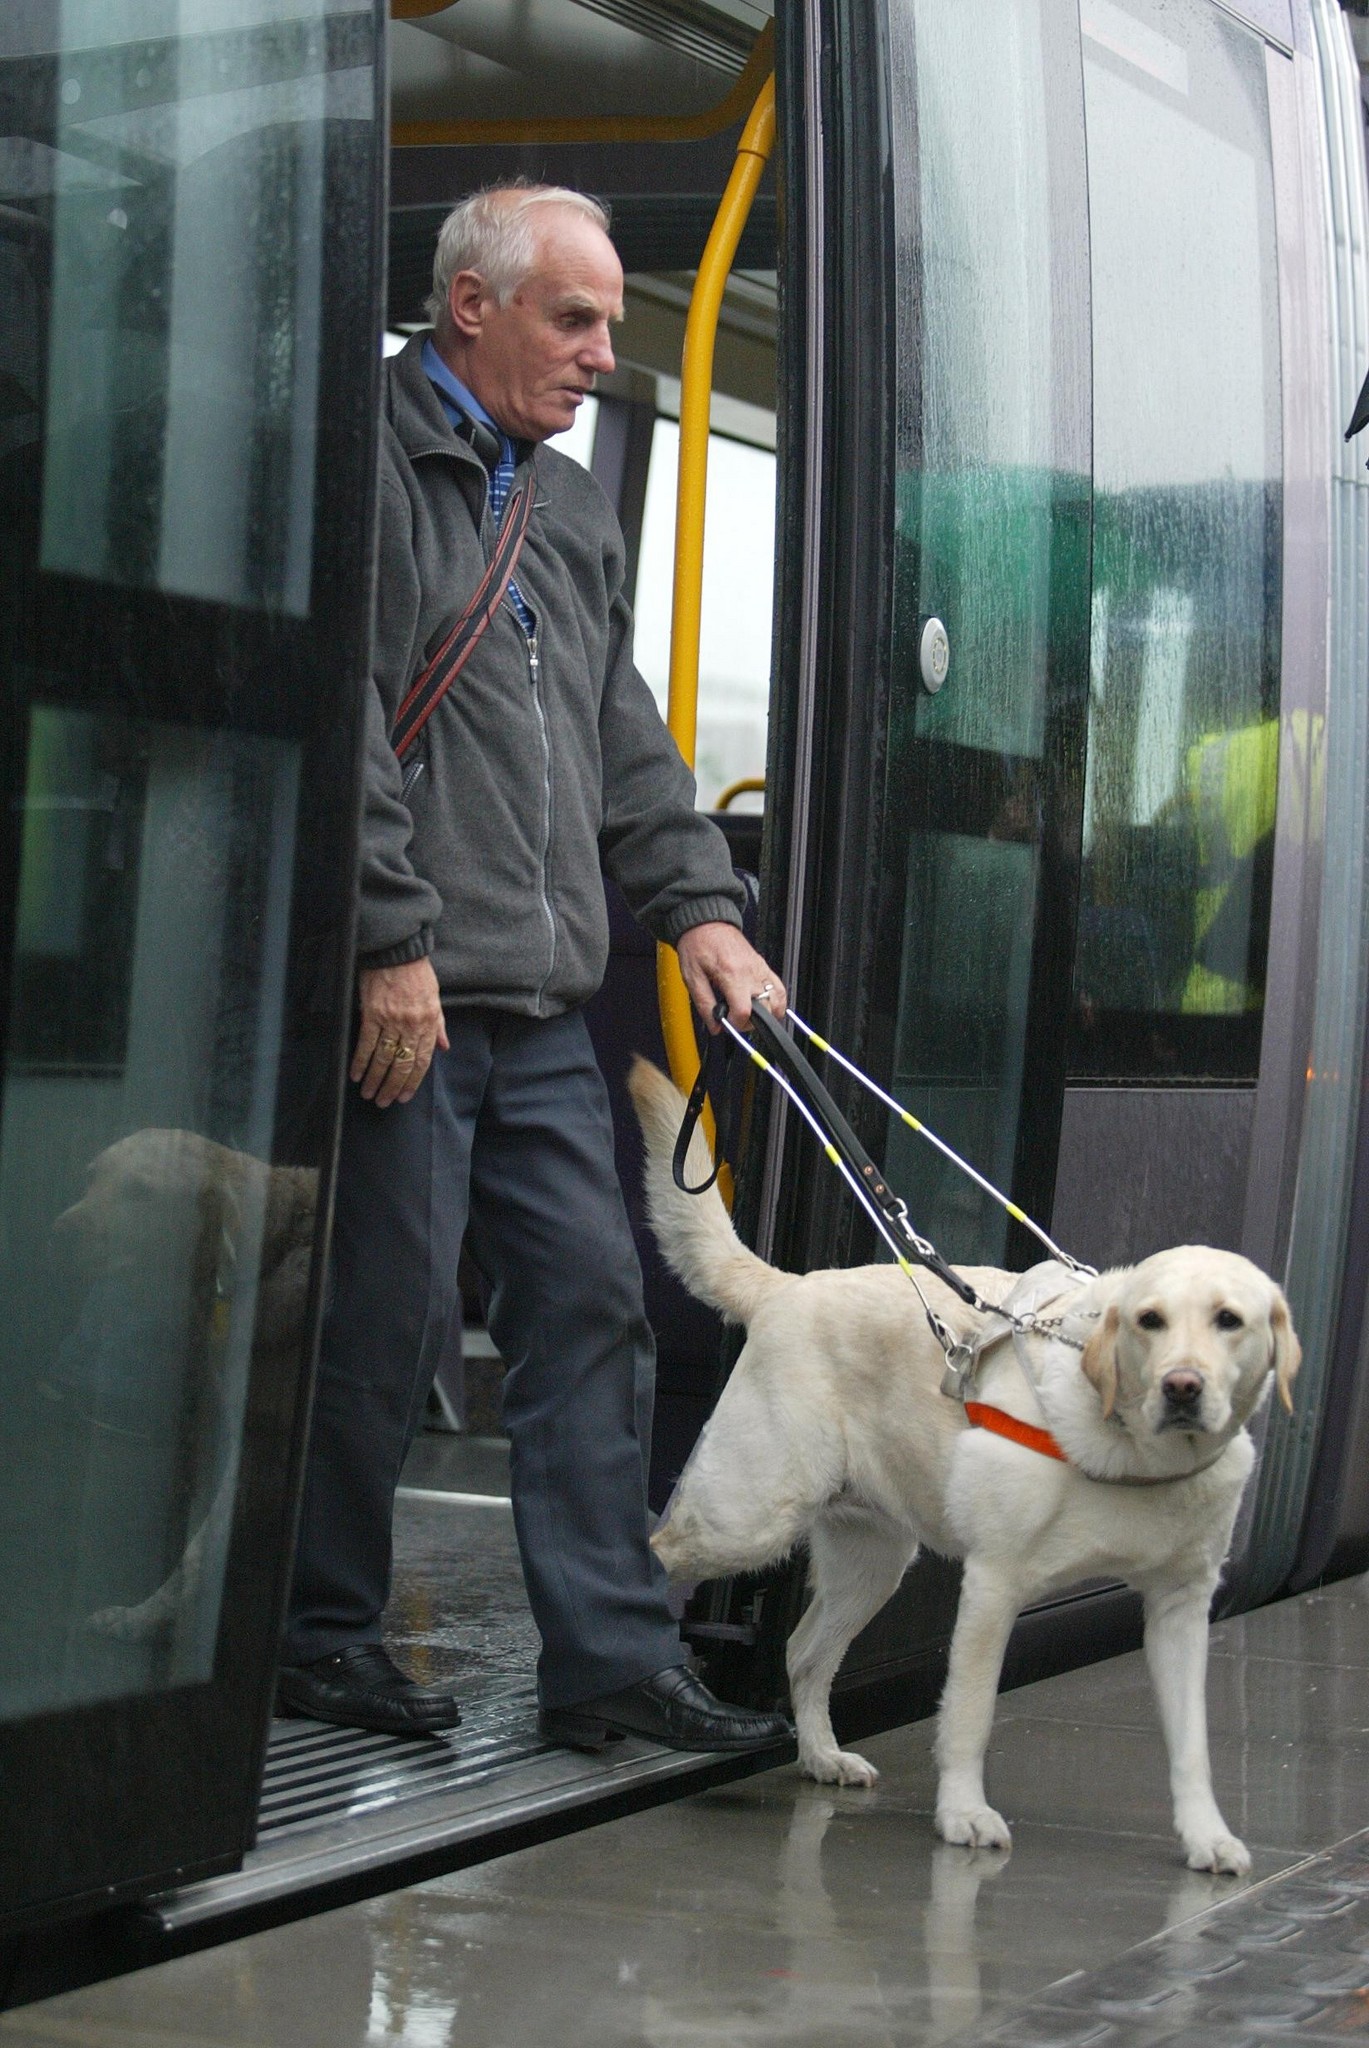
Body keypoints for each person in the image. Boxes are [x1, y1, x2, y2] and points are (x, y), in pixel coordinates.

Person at [276, 185, 793, 1753]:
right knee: (379, 1327)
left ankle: (609, 1669)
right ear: (468, 309)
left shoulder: (567, 511)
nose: (598, 357)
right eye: (573, 321)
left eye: (612, 328)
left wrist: (699, 905)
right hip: (413, 1003)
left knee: (592, 1316)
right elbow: (340, 712)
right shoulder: (362, 458)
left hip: (548, 1008)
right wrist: (388, 939)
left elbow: (621, 744)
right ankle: (316, 1636)